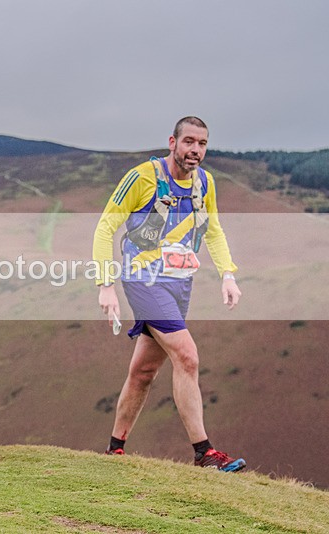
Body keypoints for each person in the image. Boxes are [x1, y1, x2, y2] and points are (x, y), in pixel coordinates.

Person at [92, 116, 246, 472]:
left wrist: (227, 274)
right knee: (187, 356)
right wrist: (105, 284)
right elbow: (105, 228)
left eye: (202, 144)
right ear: (172, 142)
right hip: (142, 279)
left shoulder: (205, 182)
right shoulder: (142, 176)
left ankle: (114, 449)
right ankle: (204, 453)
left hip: (180, 283)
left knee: (144, 370)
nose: (195, 150)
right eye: (189, 141)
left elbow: (214, 230)